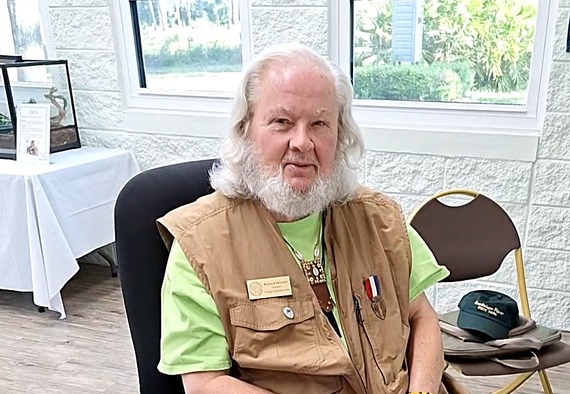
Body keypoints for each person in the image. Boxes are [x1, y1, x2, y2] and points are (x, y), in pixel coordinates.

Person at [157, 43, 461, 394]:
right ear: (246, 130)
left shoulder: (380, 219)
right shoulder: (200, 245)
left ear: (340, 134)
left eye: (319, 123)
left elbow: (421, 316)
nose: (302, 142)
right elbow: (204, 383)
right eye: (282, 122)